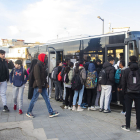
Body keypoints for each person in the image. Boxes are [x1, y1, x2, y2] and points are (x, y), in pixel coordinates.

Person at [26, 53, 59, 118]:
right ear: (42, 58)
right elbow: (37, 77)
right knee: (34, 99)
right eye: (45, 57)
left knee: (46, 99)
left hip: (42, 86)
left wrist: (46, 83)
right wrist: (40, 87)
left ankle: (50, 112)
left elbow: (43, 77)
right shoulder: (37, 66)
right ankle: (28, 112)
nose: (46, 59)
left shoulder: (42, 65)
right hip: (38, 86)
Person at [121, 56, 140, 132]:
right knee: (138, 110)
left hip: (128, 93)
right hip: (138, 93)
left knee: (128, 110)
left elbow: (123, 82)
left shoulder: (126, 70)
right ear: (137, 60)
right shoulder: (139, 70)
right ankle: (138, 127)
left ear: (129, 60)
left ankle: (127, 126)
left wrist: (124, 93)